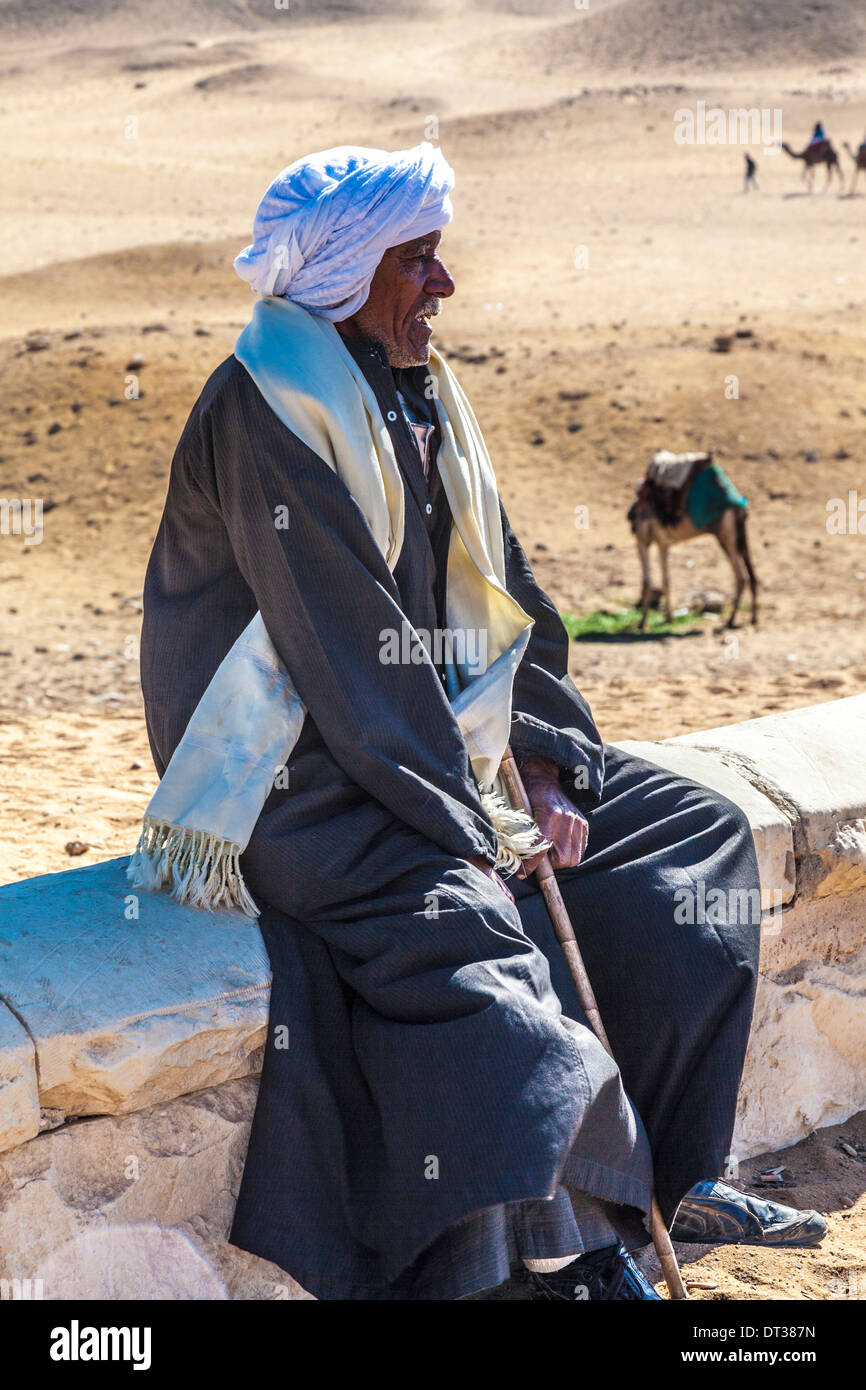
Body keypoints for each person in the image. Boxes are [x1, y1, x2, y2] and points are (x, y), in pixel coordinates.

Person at [133, 143, 825, 1301]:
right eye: (418, 261)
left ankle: (668, 1168)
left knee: (686, 836)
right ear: (346, 274)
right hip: (304, 782)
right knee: (470, 932)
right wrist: (480, 819)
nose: (442, 287)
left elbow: (502, 594)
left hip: (432, 748)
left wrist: (547, 769)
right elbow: (349, 659)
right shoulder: (268, 408)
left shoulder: (418, 391)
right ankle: (574, 1254)